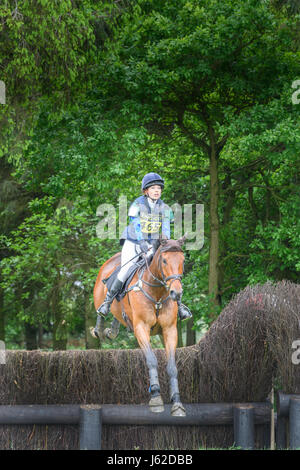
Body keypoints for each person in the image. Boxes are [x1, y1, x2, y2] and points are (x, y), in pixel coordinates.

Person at [97, 172, 192, 321]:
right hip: (133, 241)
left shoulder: (165, 208)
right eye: (153, 188)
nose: (156, 191)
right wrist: (142, 243)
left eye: (159, 188)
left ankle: (179, 306)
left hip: (152, 243)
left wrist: (164, 243)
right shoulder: (137, 204)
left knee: (167, 270)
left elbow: (165, 229)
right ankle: (107, 303)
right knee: (126, 270)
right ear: (146, 191)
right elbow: (137, 226)